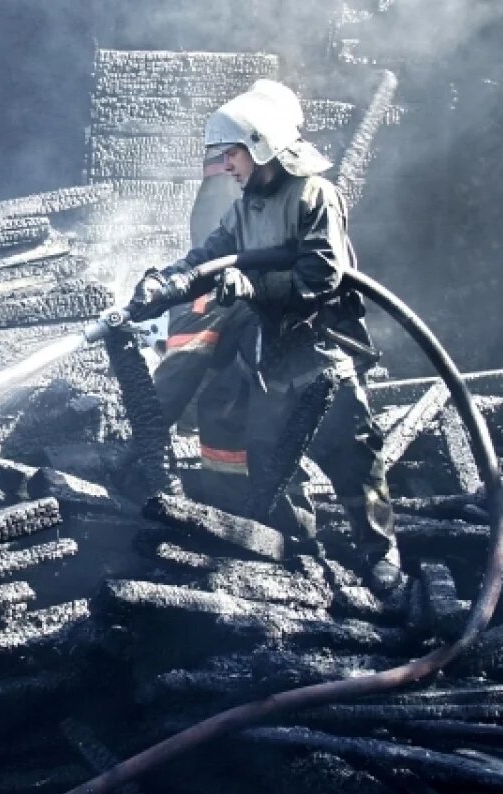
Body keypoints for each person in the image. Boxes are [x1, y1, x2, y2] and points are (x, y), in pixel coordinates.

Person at [127, 83, 401, 591]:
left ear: (261, 144)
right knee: (275, 461)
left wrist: (253, 283)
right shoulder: (244, 206)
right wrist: (160, 285)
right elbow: (204, 261)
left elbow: (321, 276)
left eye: (232, 153)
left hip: (321, 352)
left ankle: (380, 555)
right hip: (271, 357)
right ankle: (302, 556)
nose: (227, 164)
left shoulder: (314, 195)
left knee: (353, 454)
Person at [154, 80, 301, 514]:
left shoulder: (293, 193)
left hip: (253, 309)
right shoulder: (241, 181)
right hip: (226, 299)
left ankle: (254, 511)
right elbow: (216, 243)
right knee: (227, 398)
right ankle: (234, 509)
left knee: (255, 407)